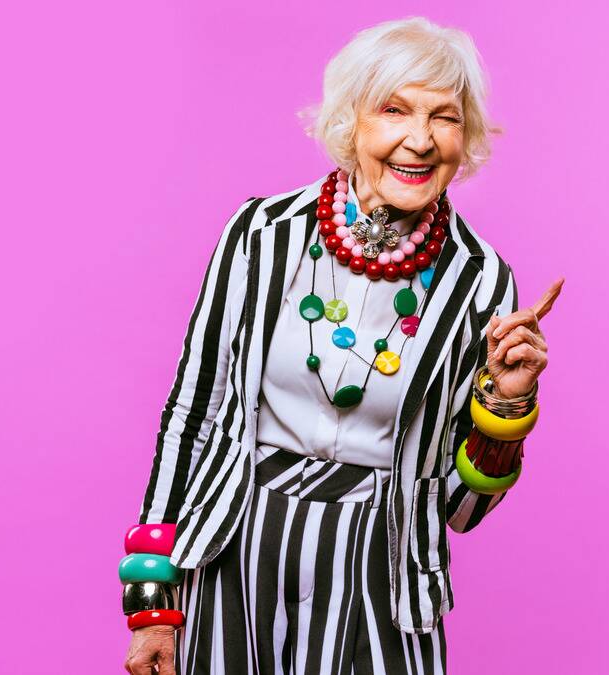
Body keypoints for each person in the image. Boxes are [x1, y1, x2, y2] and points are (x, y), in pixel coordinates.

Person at [119, 16, 564, 675]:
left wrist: (507, 400)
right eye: (394, 110)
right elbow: (194, 413)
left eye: (444, 117)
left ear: (463, 136)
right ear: (350, 119)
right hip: (237, 551)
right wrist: (151, 600)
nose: (419, 139)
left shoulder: (482, 283)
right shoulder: (263, 233)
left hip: (382, 571)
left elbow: (461, 510)